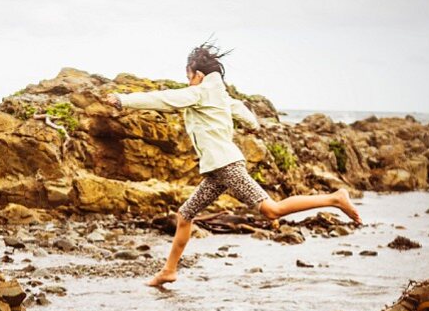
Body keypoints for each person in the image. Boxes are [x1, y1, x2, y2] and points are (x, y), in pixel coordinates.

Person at [106, 43, 361, 287]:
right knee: (184, 216)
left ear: (198, 74)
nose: (188, 81)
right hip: (218, 169)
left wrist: (123, 100)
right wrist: (251, 123)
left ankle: (335, 198)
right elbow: (245, 115)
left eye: (189, 76)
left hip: (227, 166)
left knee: (271, 210)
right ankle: (168, 271)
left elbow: (165, 99)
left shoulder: (200, 92)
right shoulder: (221, 97)